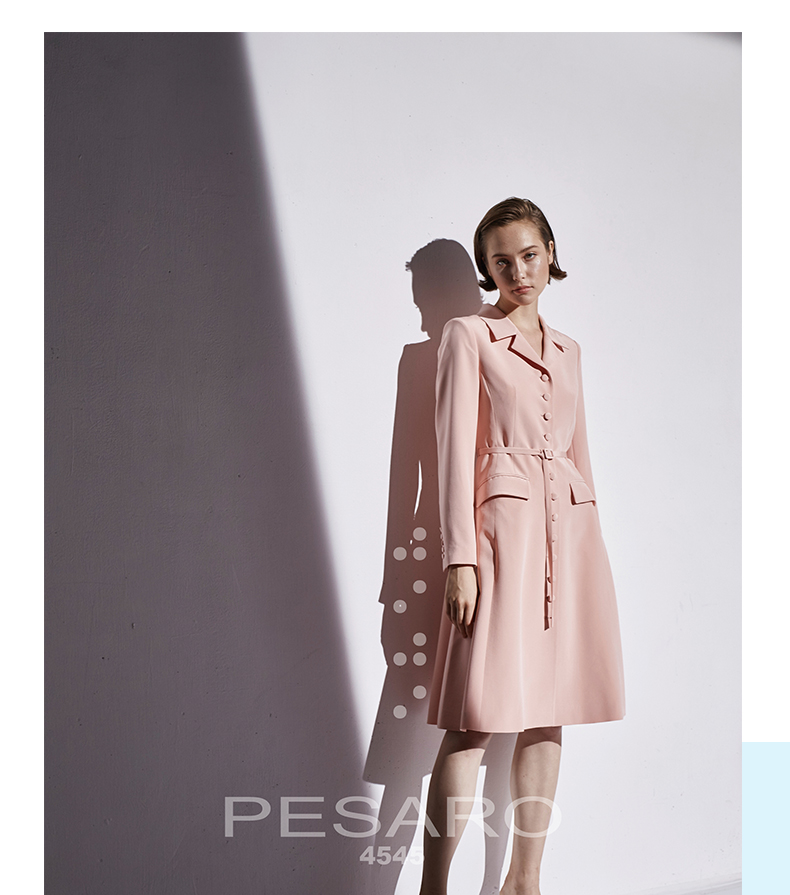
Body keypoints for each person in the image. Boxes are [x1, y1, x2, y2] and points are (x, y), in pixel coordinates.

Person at [419, 198, 626, 895]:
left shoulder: (570, 350)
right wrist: (460, 557)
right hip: (500, 543)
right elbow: (452, 453)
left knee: (547, 713)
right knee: (474, 719)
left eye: (530, 255)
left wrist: (590, 552)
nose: (518, 272)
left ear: (550, 252)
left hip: (569, 543)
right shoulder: (468, 335)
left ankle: (524, 881)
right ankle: (434, 887)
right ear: (488, 268)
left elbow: (578, 454)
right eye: (502, 261)